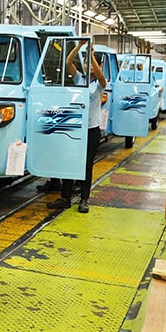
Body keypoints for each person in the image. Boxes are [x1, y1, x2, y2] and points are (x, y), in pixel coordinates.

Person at [47, 42, 107, 214]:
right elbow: (68, 63)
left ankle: (84, 199)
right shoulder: (80, 78)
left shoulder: (101, 83)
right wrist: (80, 47)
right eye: (87, 63)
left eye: (92, 63)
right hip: (75, 127)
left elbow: (100, 74)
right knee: (69, 162)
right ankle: (65, 198)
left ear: (98, 65)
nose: (88, 65)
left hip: (91, 130)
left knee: (86, 165)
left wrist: (91, 54)